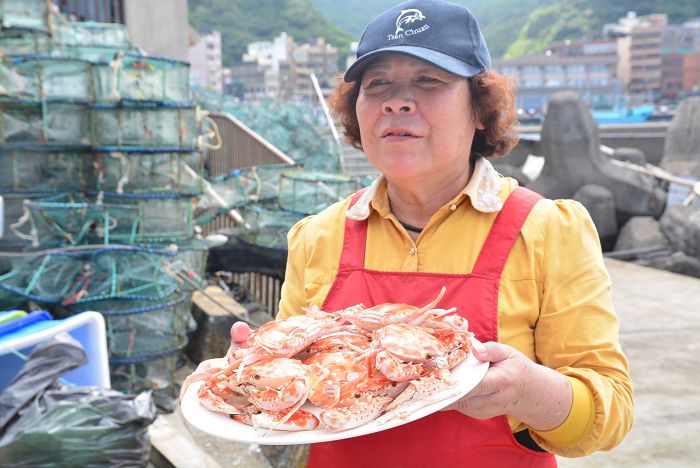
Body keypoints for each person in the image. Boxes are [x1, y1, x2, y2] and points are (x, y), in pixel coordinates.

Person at [274, 0, 633, 466]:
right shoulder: (316, 236)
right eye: (377, 83)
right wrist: (256, 371)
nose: (396, 101)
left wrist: (525, 392)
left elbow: (612, 412)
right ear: (355, 111)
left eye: (430, 81)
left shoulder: (548, 230)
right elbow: (289, 388)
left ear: (481, 110)